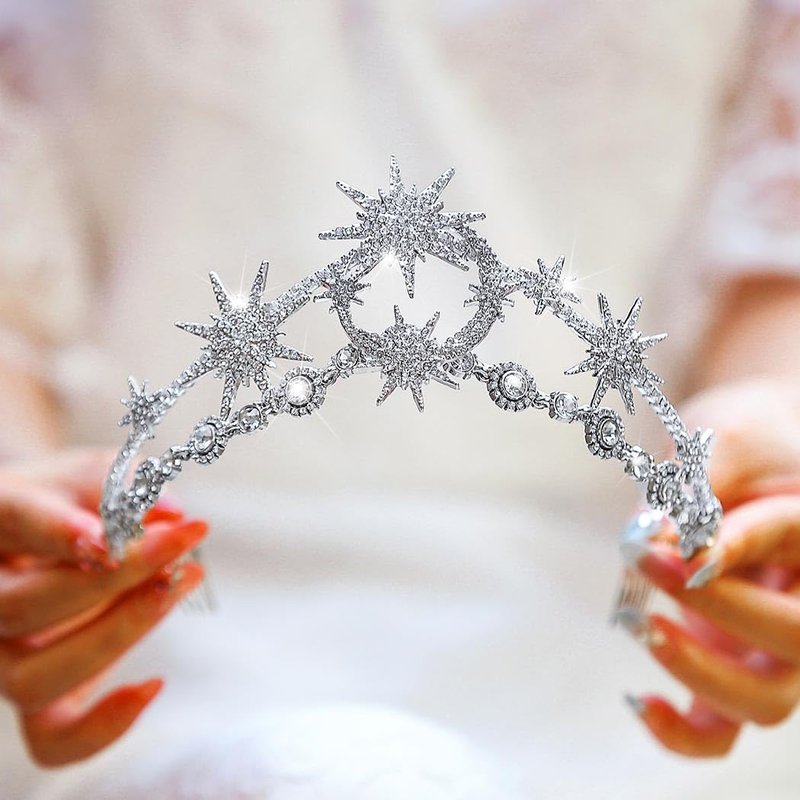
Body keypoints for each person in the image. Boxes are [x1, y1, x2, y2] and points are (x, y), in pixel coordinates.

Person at [0, 1, 799, 797]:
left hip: (626, 615)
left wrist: (762, 442)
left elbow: (776, 239)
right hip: (131, 611)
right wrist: (22, 496)